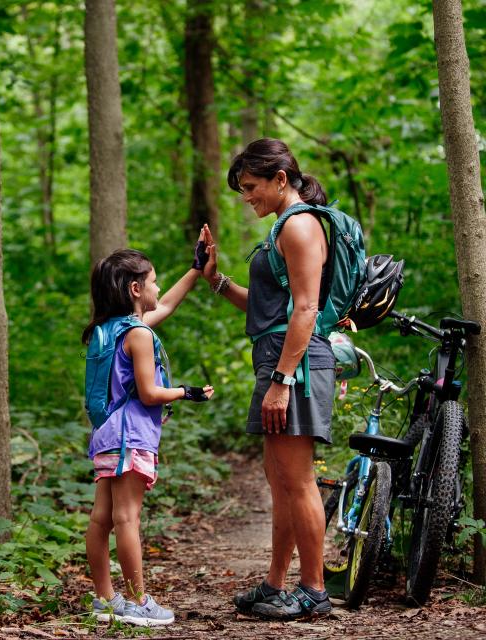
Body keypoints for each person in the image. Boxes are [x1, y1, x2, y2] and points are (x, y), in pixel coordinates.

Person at [202, 138, 334, 619]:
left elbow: (305, 309)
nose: (246, 197)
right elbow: (268, 309)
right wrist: (215, 280)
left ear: (281, 179)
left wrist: (282, 381)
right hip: (278, 356)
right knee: (279, 480)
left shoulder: (299, 227)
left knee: (298, 482)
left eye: (252, 187)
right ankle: (277, 583)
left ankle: (314, 590)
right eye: (241, 189)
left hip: (292, 364)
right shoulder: (283, 227)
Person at [82, 244, 214, 627]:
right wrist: (186, 392)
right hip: (130, 438)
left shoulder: (107, 330)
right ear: (136, 289)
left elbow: (167, 305)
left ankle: (105, 599)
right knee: (127, 518)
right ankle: (139, 603)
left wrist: (195, 270)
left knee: (101, 518)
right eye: (154, 281)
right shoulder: (138, 335)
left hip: (107, 436)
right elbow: (148, 393)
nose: (158, 288)